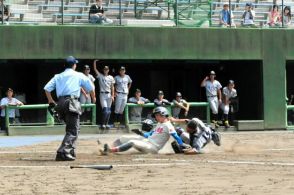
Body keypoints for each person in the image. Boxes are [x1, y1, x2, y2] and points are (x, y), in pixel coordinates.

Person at [44, 56, 96, 161]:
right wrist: (93, 97)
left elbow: (47, 88)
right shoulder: (78, 75)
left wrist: (50, 101)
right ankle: (62, 152)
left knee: (71, 128)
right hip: (72, 102)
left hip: (60, 102)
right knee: (73, 129)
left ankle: (70, 150)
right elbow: (91, 87)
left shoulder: (58, 76)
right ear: (74, 65)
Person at [100, 107, 191, 155]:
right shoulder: (160, 124)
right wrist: (141, 133)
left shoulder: (168, 125)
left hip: (153, 148)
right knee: (123, 137)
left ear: (163, 114)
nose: (155, 117)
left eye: (157, 115)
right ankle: (108, 147)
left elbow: (176, 136)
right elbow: (150, 134)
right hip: (147, 142)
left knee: (132, 142)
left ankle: (110, 150)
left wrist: (182, 144)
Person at [93, 59, 115, 130]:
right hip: (102, 94)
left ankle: (107, 124)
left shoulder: (111, 77)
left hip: (109, 94)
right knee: (105, 110)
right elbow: (95, 69)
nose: (106, 70)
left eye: (107, 69)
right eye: (105, 69)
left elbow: (112, 87)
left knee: (109, 111)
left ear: (108, 70)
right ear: (103, 70)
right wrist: (95, 62)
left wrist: (112, 95)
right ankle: (102, 124)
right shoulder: (100, 76)